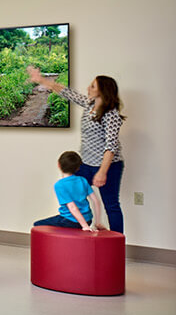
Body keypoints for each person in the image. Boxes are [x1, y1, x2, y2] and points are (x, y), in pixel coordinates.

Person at [27, 67, 126, 233]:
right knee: (71, 195)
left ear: (103, 91)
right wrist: (42, 80)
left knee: (111, 205)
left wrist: (102, 172)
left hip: (108, 166)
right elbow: (66, 92)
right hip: (85, 164)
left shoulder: (111, 114)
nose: (88, 88)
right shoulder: (89, 104)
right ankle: (78, 236)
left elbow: (111, 146)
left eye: (93, 86)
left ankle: (116, 247)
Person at [33, 150, 101, 232]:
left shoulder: (60, 185)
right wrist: (97, 222)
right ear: (78, 168)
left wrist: (85, 226)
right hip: (88, 219)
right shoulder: (82, 180)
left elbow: (72, 207)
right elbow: (96, 201)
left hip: (71, 221)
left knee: (37, 225)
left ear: (59, 165)